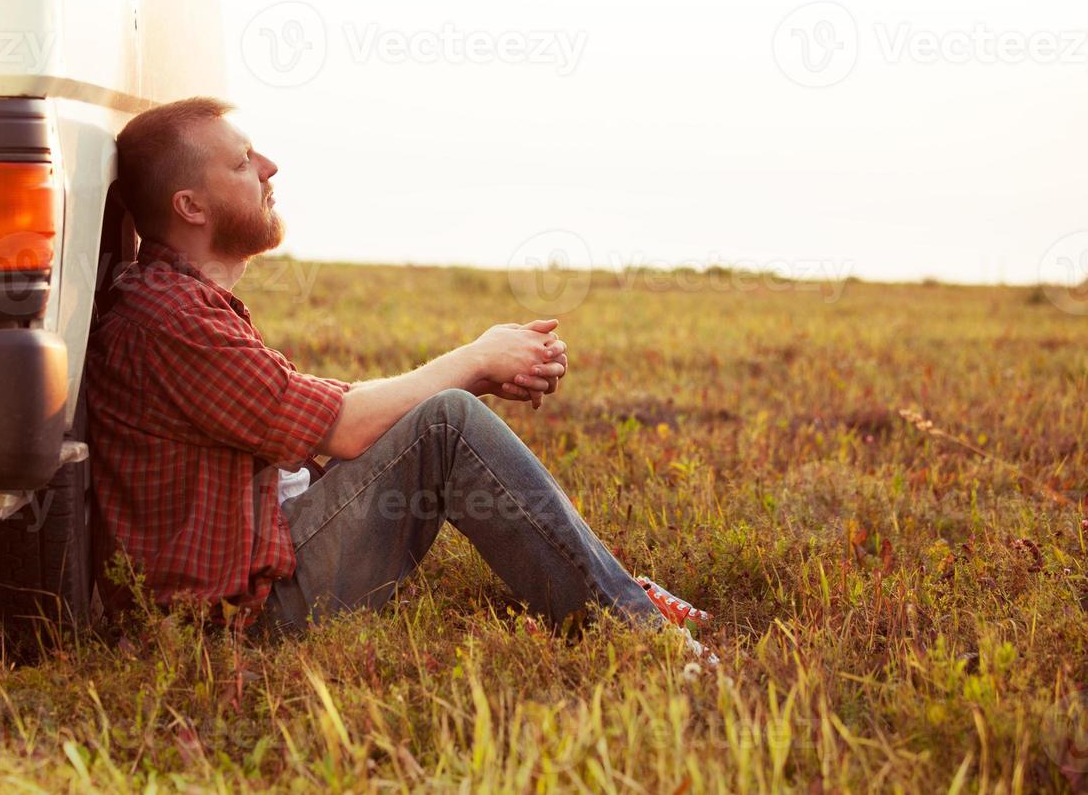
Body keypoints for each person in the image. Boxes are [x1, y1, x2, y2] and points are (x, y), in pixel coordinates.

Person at [84, 97, 716, 665]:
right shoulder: (172, 319)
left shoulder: (177, 302)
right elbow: (347, 427)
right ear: (190, 206)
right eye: (244, 162)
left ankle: (616, 593)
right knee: (446, 424)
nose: (270, 167)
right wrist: (475, 359)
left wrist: (484, 371)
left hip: (247, 580)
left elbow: (323, 410)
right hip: (234, 623)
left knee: (433, 418)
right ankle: (637, 635)